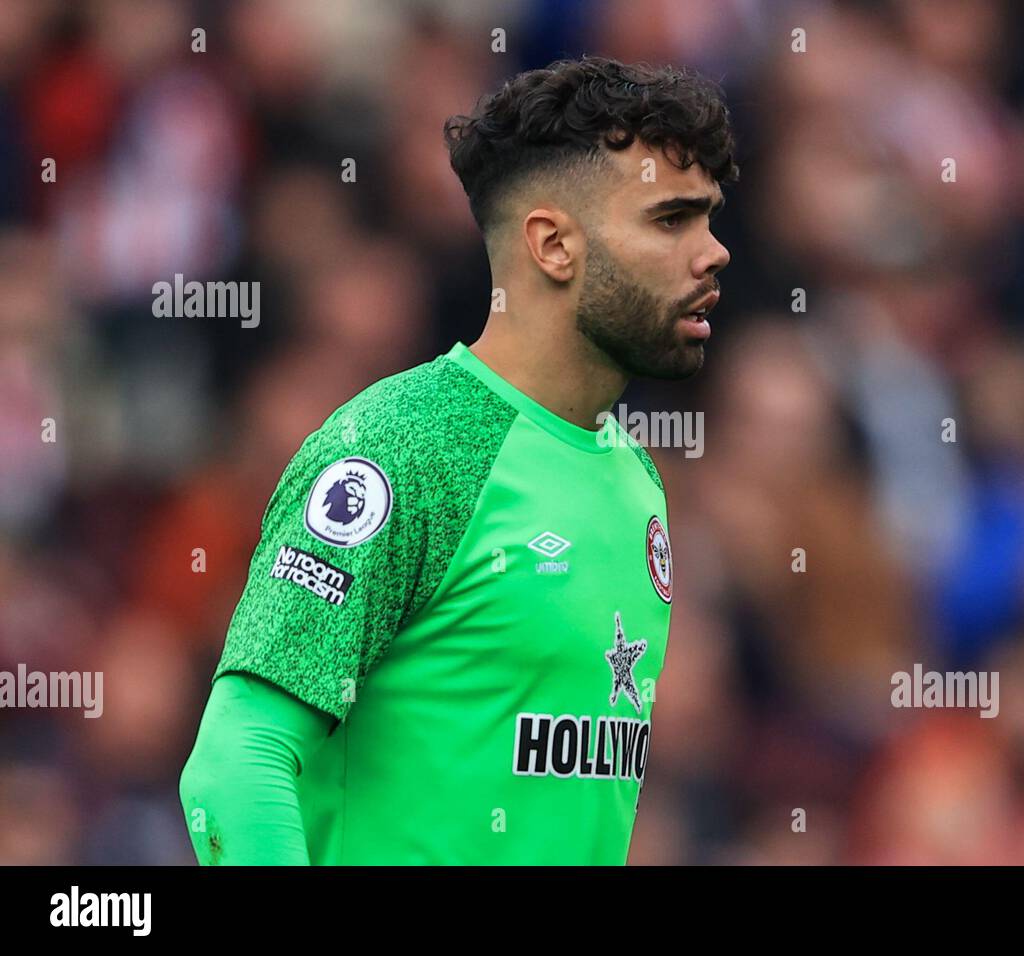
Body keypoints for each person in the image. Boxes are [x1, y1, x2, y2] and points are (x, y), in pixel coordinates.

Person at [178, 55, 736, 864]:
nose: (714, 250)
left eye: (711, 217)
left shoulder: (637, 478)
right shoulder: (405, 446)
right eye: (671, 219)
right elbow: (236, 764)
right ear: (552, 246)